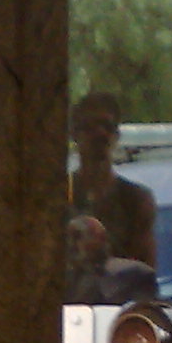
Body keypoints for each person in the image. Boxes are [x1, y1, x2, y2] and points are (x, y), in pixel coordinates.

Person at [66, 91, 156, 270]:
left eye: (107, 126)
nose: (100, 133)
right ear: (74, 134)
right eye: (89, 126)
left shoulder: (136, 200)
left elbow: (145, 272)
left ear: (116, 135)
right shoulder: (56, 196)